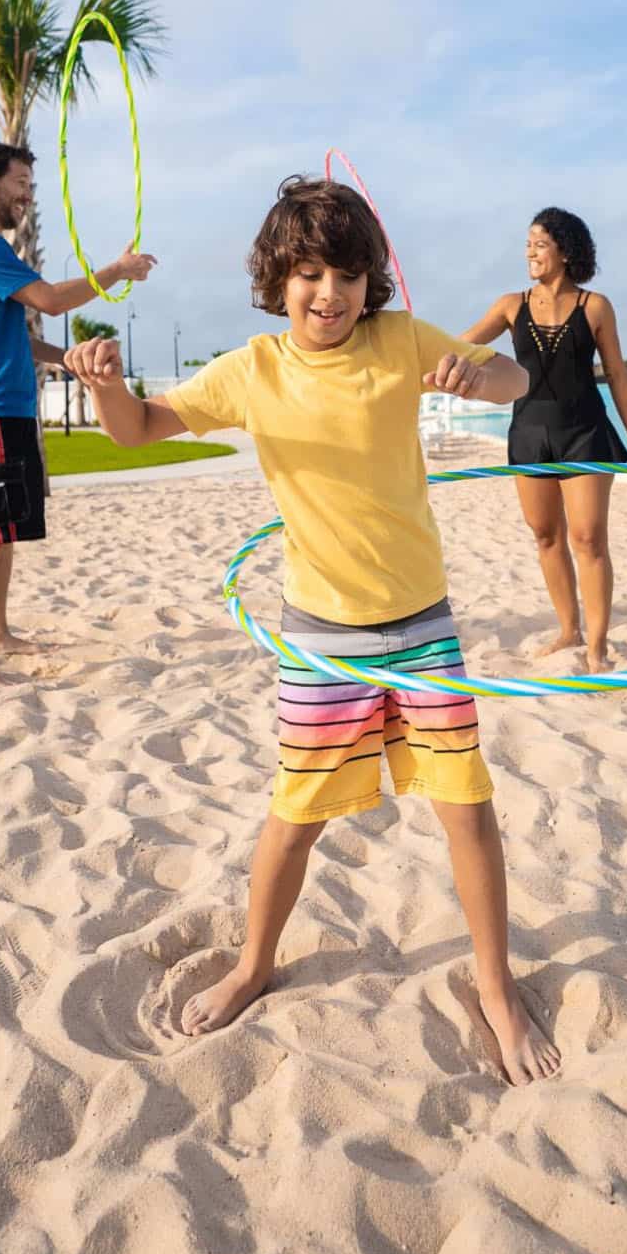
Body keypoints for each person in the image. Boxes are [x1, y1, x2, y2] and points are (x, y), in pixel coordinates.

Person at [65, 175, 561, 1085]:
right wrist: (105, 387)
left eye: (345, 274)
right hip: (322, 636)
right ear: (276, 278)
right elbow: (137, 431)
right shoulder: (252, 371)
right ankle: (256, 963)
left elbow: (515, 378)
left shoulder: (401, 341)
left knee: (467, 812)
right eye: (308, 274)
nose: (328, 293)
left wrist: (474, 371)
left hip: (420, 625)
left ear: (371, 280)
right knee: (294, 818)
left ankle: (495, 986)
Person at [0, 136, 155, 682]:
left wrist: (66, 359)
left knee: (5, 529)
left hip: (6, 406)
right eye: (20, 185)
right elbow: (52, 301)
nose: (27, 197)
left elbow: (14, 332)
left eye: (31, 188)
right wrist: (118, 269)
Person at [460, 208, 627, 674]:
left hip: (585, 429)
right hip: (529, 433)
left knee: (589, 538)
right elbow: (465, 346)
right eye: (527, 243)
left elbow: (616, 372)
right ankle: (569, 630)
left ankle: (598, 647)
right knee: (547, 536)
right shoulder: (511, 305)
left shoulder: (596, 307)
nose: (530, 251)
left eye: (540, 243)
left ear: (565, 252)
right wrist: (431, 356)